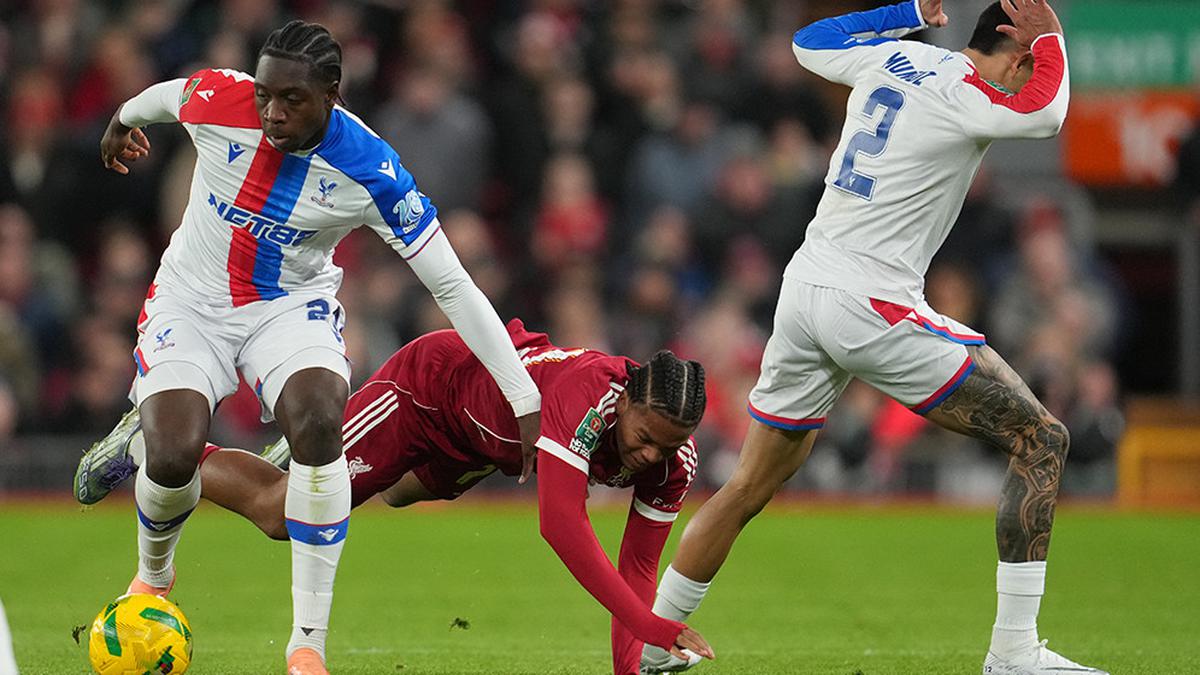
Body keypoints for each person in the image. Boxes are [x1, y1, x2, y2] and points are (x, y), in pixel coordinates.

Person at [641, 1, 1108, 674]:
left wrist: (908, 11)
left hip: (805, 289)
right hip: (871, 302)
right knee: (1044, 439)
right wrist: (1054, 42)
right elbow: (1046, 111)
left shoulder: (900, 56)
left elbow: (809, 42)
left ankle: (655, 640)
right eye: (1027, 64)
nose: (1026, 78)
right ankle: (1013, 653)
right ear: (1013, 52)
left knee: (747, 485)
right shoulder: (970, 93)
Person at [79, 20, 543, 675]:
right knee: (174, 450)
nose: (271, 111)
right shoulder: (223, 99)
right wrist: (122, 120)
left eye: (291, 99)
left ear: (332, 93)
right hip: (193, 300)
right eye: (265, 94)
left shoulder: (373, 170)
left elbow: (453, 283)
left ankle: (307, 647)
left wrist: (520, 390)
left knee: (322, 422)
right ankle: (152, 577)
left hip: (289, 308)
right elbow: (162, 97)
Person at [77, 320, 713, 675]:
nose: (650, 456)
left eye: (668, 445)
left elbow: (636, 570)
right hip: (428, 393)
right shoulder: (587, 397)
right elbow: (560, 525)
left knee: (402, 496)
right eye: (645, 437)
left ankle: (305, 461)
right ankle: (156, 446)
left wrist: (633, 668)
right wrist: (653, 625)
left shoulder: (670, 463)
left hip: (481, 448)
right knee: (282, 514)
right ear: (626, 397)